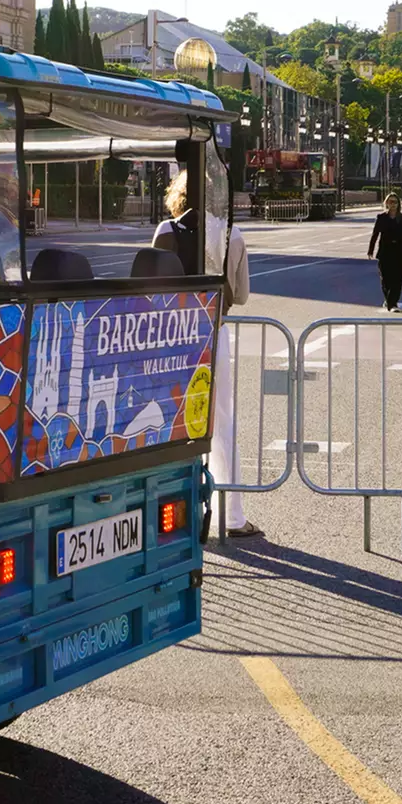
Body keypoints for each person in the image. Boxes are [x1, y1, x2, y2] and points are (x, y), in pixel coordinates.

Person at [152, 170, 257, 539]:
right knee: (222, 421)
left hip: (172, 337)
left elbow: (151, 287)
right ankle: (233, 514)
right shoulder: (232, 234)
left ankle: (172, 507)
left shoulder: (166, 232)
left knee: (172, 419)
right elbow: (241, 295)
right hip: (215, 332)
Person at [367, 191, 402, 311]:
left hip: (399, 253)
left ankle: (392, 303)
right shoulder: (381, 218)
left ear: (398, 204)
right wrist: (371, 249)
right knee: (385, 279)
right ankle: (390, 301)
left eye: (395, 202)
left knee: (398, 279)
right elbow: (375, 234)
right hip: (385, 252)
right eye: (390, 202)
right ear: (387, 204)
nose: (393, 204)